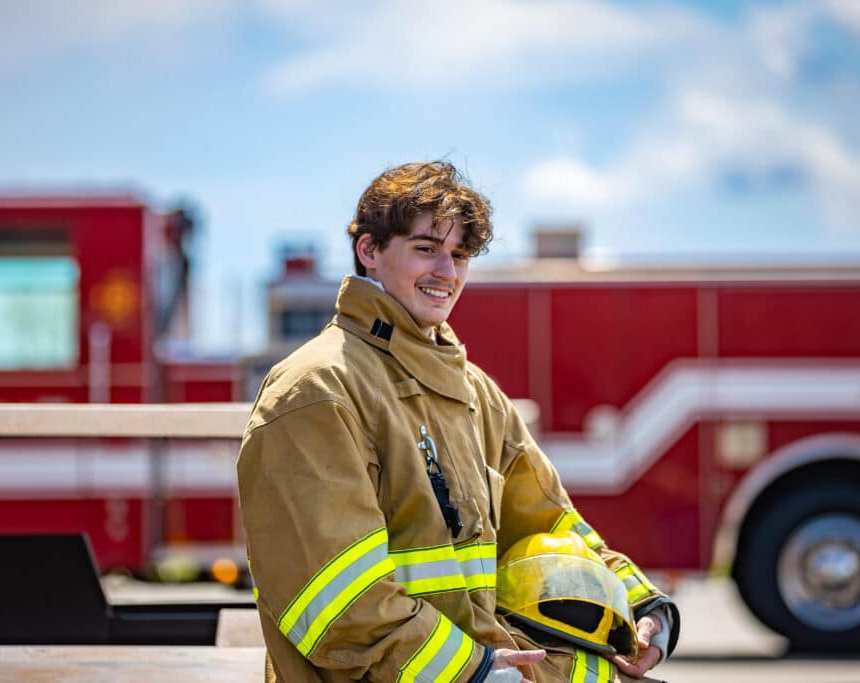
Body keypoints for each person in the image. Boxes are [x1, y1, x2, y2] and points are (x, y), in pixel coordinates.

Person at [237, 161, 678, 682]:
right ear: (369, 252)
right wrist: (476, 670)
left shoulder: (474, 392)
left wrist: (641, 608)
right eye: (426, 248)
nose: (447, 272)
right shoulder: (316, 391)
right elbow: (342, 609)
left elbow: (550, 529)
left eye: (460, 254)